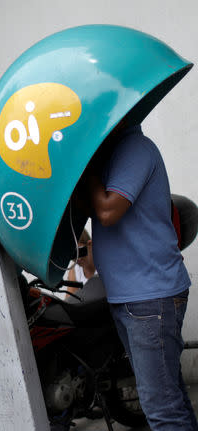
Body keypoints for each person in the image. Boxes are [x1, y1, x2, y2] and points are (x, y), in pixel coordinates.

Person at [88, 119, 197, 429]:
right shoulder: (113, 154)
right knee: (168, 399)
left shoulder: (134, 148)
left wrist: (89, 174)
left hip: (150, 298)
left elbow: (108, 211)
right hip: (133, 296)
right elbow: (90, 205)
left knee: (160, 408)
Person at [64, 229, 96, 299]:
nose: (78, 259)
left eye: (80, 252)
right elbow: (68, 301)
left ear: (90, 244)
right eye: (73, 255)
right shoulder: (74, 270)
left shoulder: (105, 264)